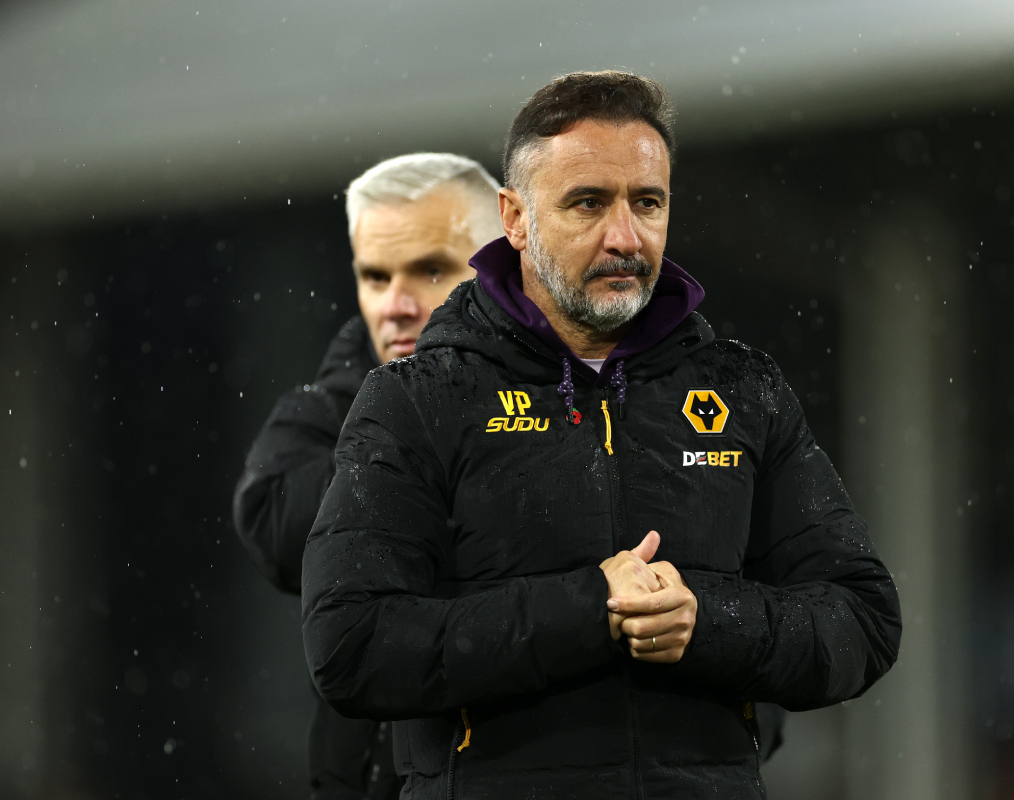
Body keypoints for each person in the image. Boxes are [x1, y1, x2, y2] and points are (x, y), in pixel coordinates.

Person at [301, 71, 902, 799]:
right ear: (514, 218)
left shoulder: (746, 391)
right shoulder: (417, 400)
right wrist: (591, 609)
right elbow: (351, 645)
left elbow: (862, 620)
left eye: (647, 202)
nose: (625, 237)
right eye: (588, 202)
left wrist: (707, 621)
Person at [233, 152, 504, 799]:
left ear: (505, 270)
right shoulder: (328, 409)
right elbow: (272, 526)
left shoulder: (578, 397)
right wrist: (425, 431)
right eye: (375, 277)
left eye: (431, 270)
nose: (396, 306)